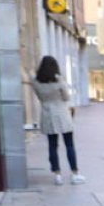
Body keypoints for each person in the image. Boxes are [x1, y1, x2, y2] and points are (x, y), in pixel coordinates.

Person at [32, 56, 85, 186]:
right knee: (69, 145)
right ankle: (74, 173)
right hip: (62, 114)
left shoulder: (36, 82)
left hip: (47, 114)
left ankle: (57, 175)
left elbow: (39, 97)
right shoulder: (59, 80)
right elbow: (66, 96)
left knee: (52, 145)